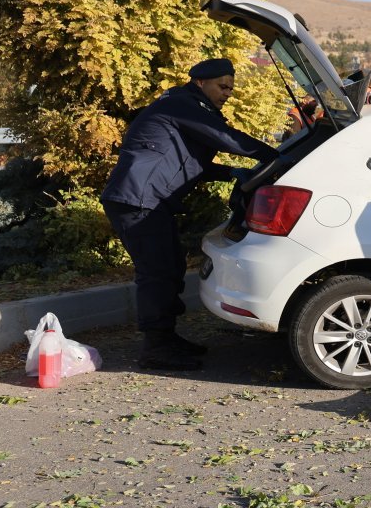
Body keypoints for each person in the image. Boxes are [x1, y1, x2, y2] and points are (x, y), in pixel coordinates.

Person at [101, 58, 279, 370]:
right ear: (200, 82)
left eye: (231, 88)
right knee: (157, 272)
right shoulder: (182, 104)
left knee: (170, 267)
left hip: (147, 200)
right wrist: (279, 157)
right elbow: (226, 137)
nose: (227, 93)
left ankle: (166, 338)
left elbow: (187, 161)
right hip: (139, 201)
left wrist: (232, 172)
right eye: (222, 86)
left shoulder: (184, 106)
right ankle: (156, 347)